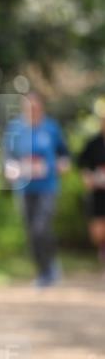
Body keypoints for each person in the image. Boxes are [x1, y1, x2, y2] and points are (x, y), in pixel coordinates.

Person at [4, 92, 70, 287]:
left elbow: (64, 155)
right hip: (24, 189)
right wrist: (12, 169)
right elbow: (8, 158)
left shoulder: (51, 128)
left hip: (48, 187)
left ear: (41, 108)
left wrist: (62, 165)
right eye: (28, 108)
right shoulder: (14, 129)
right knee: (32, 231)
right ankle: (44, 271)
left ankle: (49, 267)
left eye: (35, 107)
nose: (32, 111)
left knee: (42, 227)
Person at [77, 113, 105, 272]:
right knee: (98, 232)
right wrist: (87, 177)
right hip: (98, 193)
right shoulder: (93, 144)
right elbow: (81, 164)